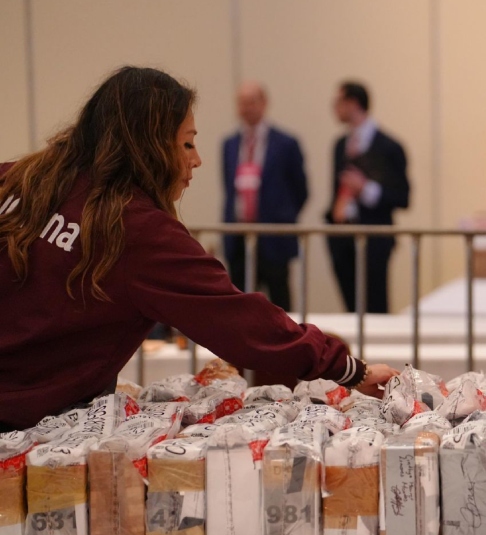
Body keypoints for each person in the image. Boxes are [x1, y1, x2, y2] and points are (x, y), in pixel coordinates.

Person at [0, 67, 397, 432]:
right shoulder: (137, 231)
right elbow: (241, 322)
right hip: (27, 421)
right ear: (150, 147)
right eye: (187, 144)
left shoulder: (18, 180)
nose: (196, 160)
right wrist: (350, 370)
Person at [221, 80, 309, 311]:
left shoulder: (286, 144)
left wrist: (281, 217)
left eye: (251, 102)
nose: (246, 108)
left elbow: (301, 191)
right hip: (239, 237)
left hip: (274, 237)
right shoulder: (229, 144)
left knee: (280, 300)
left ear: (264, 103)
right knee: (239, 303)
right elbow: (228, 188)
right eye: (241, 103)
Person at [325, 81, 410, 313]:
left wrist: (366, 189)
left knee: (375, 307)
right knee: (351, 308)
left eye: (338, 102)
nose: (334, 108)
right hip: (343, 237)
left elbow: (403, 196)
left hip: (374, 239)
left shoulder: (389, 146)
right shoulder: (340, 145)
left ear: (353, 103)